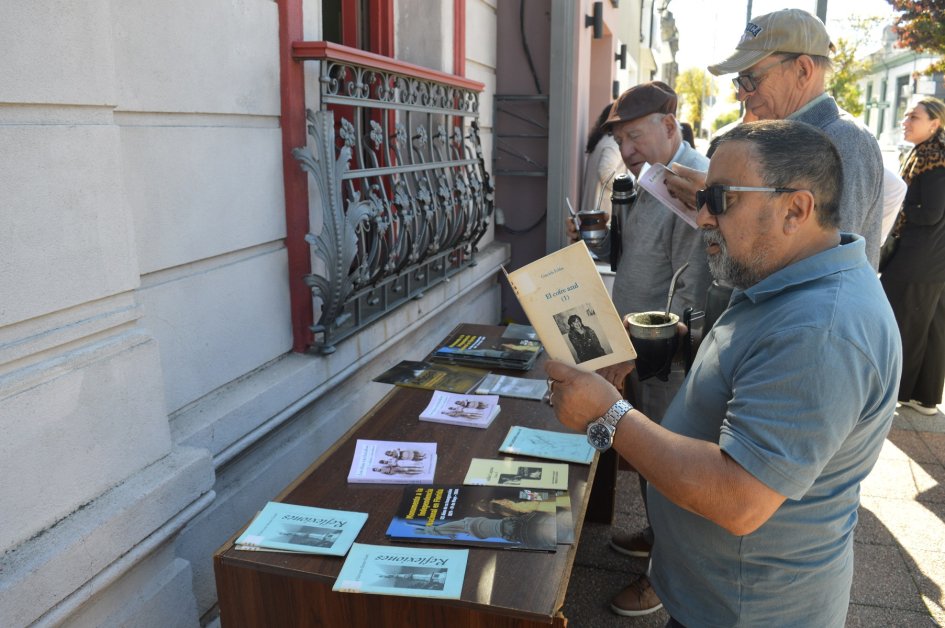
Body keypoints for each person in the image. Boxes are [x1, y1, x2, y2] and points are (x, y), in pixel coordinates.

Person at [547, 119, 902, 626]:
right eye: (702, 198)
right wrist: (666, 345)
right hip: (716, 594)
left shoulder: (821, 331)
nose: (703, 217)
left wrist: (607, 414)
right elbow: (752, 360)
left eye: (719, 199)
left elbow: (739, 499)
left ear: (795, 209)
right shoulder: (786, 274)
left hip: (746, 612)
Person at [566, 81, 711, 616]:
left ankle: (664, 579)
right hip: (640, 347)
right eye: (619, 140)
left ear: (669, 125)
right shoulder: (651, 176)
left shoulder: (688, 182)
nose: (625, 150)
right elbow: (635, 257)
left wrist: (655, 351)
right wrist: (597, 237)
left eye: (634, 136)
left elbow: (692, 286)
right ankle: (656, 538)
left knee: (670, 466)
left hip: (665, 355)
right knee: (652, 464)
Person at [666, 9, 885, 269]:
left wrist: (722, 202)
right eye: (740, 81)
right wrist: (720, 199)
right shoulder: (794, 137)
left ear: (803, 70)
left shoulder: (845, 141)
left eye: (751, 79)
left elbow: (824, 261)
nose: (741, 95)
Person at [881, 96, 945, 415]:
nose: (905, 121)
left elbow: (931, 212)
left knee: (903, 321)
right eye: (905, 115)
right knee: (930, 325)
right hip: (930, 258)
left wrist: (900, 206)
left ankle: (897, 390)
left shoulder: (934, 160)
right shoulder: (927, 153)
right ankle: (924, 397)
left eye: (913, 117)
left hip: (920, 258)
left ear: (935, 124)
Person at [579, 102, 628, 221]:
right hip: (602, 213)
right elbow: (606, 173)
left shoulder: (601, 141)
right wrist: (626, 189)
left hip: (592, 211)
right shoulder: (613, 142)